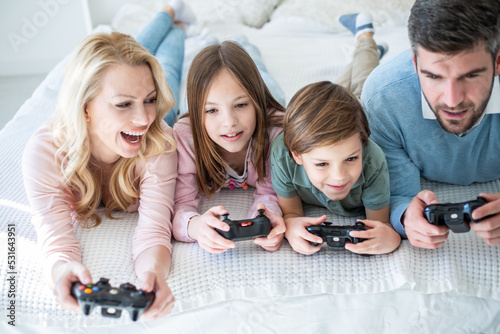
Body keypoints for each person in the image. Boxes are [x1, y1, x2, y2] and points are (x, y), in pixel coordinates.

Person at [22, 4, 186, 319]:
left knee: (170, 69)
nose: (143, 118)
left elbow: (154, 229)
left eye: (150, 100)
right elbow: (55, 239)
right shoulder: (44, 154)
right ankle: (166, 14)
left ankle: (175, 25)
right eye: (123, 104)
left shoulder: (159, 140)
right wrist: (62, 272)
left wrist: (154, 273)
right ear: (84, 107)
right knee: (132, 64)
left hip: (159, 107)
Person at [360, 0, 500, 249]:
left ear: (498, 62)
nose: (452, 100)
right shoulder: (383, 99)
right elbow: (396, 193)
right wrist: (406, 217)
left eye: (470, 75)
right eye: (434, 76)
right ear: (415, 63)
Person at [172, 40, 287, 254]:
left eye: (241, 105)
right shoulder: (186, 135)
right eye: (211, 110)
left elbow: (269, 192)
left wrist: (267, 218)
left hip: (268, 107)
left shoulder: (275, 133)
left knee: (261, 74)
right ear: (198, 113)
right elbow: (181, 204)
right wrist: (196, 227)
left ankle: (246, 45)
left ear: (256, 102)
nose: (229, 122)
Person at [271, 81, 401, 255]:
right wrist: (290, 226)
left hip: (361, 101)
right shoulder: (282, 156)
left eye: (351, 158)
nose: (339, 177)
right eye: (322, 164)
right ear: (297, 156)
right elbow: (291, 213)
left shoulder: (373, 162)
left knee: (363, 82)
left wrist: (393, 237)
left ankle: (367, 52)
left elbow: (380, 225)